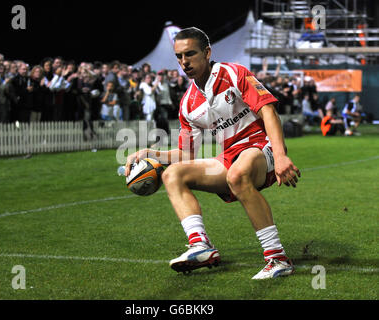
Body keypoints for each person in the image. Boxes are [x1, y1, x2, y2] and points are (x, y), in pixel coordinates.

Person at [125, 27, 300, 279]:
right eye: (179, 56)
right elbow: (186, 153)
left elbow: (268, 111)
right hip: (232, 157)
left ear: (207, 53)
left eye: (190, 54)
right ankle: (201, 246)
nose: (184, 62)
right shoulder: (187, 103)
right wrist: (151, 153)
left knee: (237, 174)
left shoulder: (234, 73)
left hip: (263, 146)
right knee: (173, 174)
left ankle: (277, 259)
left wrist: (281, 156)